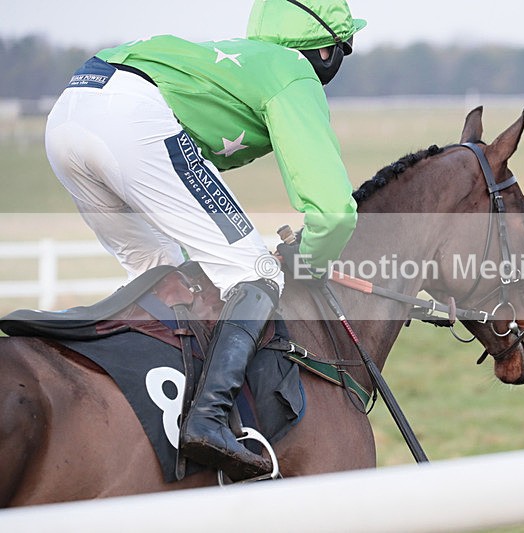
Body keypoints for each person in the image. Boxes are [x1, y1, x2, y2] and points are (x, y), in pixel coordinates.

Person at [44, 0, 365, 481]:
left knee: (164, 277)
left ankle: (141, 412)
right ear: (325, 50)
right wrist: (310, 264)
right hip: (133, 120)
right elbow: (335, 212)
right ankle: (208, 419)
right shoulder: (293, 72)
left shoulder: (241, 61)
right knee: (256, 271)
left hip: (69, 112)